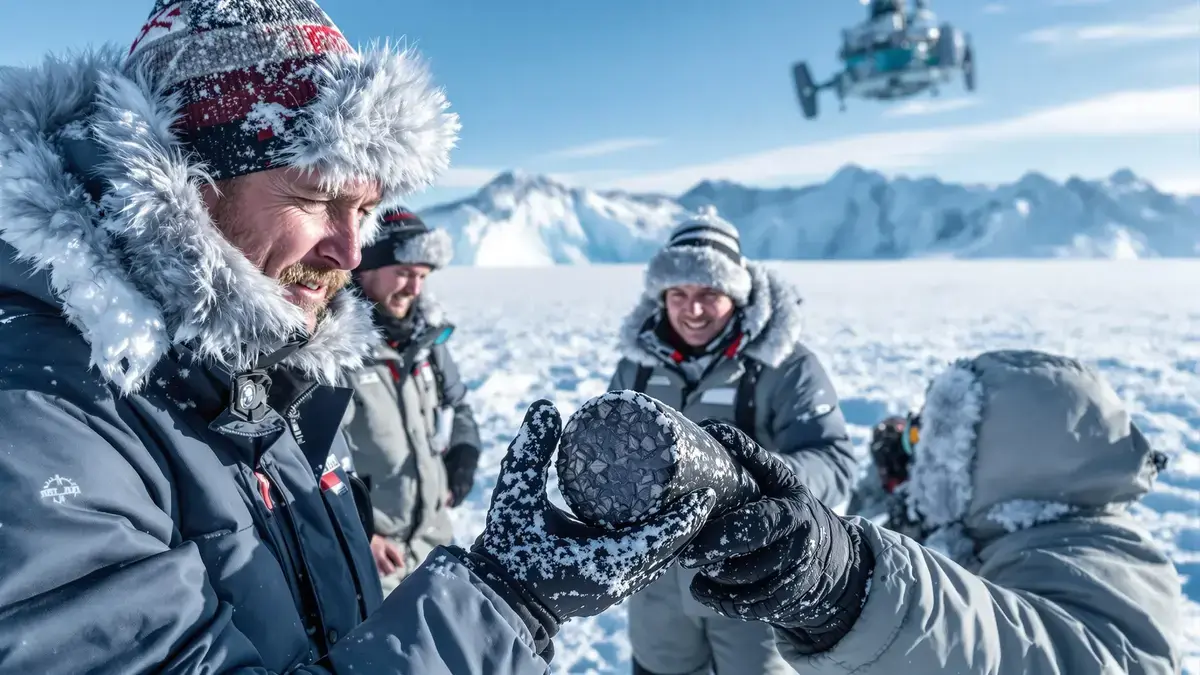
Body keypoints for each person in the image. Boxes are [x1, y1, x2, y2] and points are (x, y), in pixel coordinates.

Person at [0, 1, 717, 672]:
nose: (350, 250)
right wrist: (501, 605)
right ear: (178, 183)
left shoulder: (266, 373)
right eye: (315, 197)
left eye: (365, 209)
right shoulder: (41, 423)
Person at [679, 349, 1185, 673]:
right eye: (916, 435)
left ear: (996, 460)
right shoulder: (987, 527)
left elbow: (1025, 652)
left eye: (936, 442)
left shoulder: (1106, 559)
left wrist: (845, 586)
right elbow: (945, 567)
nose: (919, 454)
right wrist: (892, 484)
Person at [608, 206, 858, 675]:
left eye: (709, 293)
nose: (692, 310)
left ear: (737, 296)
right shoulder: (636, 367)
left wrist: (766, 491)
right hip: (654, 586)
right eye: (678, 293)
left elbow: (835, 459)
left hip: (754, 581)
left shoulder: (786, 366)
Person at [342, 206, 480, 594]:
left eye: (421, 276)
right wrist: (359, 532)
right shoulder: (335, 351)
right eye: (403, 273)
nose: (414, 289)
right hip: (375, 558)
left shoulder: (426, 343)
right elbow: (308, 461)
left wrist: (465, 452)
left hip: (436, 545)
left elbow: (460, 405)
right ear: (364, 268)